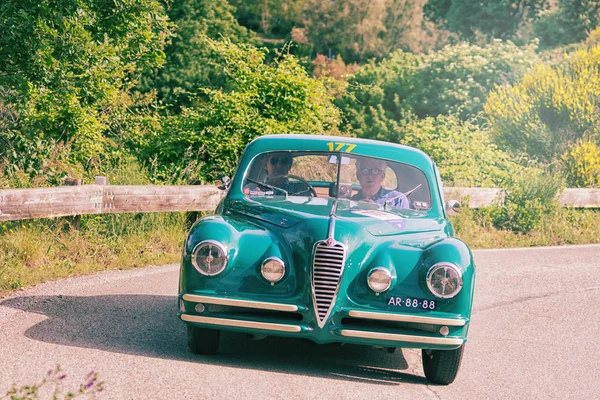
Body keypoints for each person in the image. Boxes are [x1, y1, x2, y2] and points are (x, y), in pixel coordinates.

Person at [244, 152, 312, 196]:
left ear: (289, 166)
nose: (279, 165)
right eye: (274, 161)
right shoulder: (253, 188)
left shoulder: (301, 189)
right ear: (265, 165)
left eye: (284, 161)